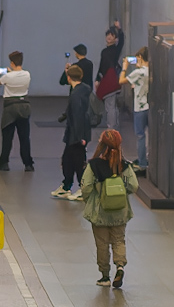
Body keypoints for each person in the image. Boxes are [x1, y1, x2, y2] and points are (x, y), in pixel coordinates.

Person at [80, 128, 139, 288]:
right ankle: (120, 267)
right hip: (120, 211)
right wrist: (121, 193)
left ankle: (105, 276)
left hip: (99, 213)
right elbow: (133, 186)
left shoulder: (94, 165)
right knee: (119, 240)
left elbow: (85, 187)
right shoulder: (124, 165)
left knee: (102, 244)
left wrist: (90, 200)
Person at [51, 62, 92, 200]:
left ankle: (83, 189)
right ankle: (66, 186)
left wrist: (80, 137)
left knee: (77, 161)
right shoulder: (85, 89)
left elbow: (78, 116)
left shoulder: (75, 95)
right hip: (79, 133)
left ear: (69, 78)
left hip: (76, 135)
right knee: (68, 160)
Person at [0, 51, 33, 171]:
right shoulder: (27, 74)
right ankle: (28, 164)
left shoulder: (7, 76)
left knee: (7, 137)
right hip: (24, 107)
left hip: (10, 108)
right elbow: (17, 76)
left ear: (12, 63)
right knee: (24, 137)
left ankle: (3, 163)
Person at [120, 47, 150, 171]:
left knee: (140, 135)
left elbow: (121, 80)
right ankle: (147, 159)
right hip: (149, 106)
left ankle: (142, 163)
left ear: (140, 57)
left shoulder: (138, 73)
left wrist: (124, 67)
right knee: (150, 135)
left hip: (140, 107)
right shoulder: (150, 71)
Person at [94, 25, 126, 131]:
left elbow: (121, 41)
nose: (109, 37)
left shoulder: (115, 50)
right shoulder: (104, 51)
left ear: (115, 39)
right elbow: (101, 66)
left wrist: (119, 29)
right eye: (108, 35)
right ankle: (114, 125)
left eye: (112, 35)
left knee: (110, 104)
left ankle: (111, 127)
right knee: (111, 104)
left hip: (111, 79)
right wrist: (98, 79)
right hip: (107, 78)